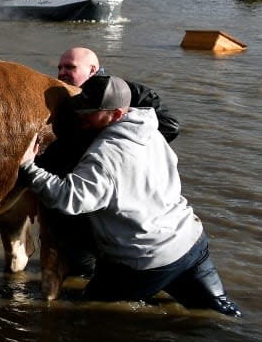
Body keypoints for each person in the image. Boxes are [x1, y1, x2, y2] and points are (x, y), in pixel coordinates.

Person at [20, 74, 240, 316]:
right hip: (191, 243)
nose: (81, 116)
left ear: (115, 115)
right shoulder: (151, 129)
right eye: (79, 108)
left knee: (84, 318)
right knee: (223, 314)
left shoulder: (106, 155)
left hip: (144, 262)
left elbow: (68, 199)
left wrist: (29, 166)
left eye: (89, 112)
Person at [56, 46, 179, 141]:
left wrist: (113, 141)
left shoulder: (130, 92)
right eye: (60, 68)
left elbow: (170, 127)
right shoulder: (60, 94)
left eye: (70, 67)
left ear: (92, 70)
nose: (61, 73)